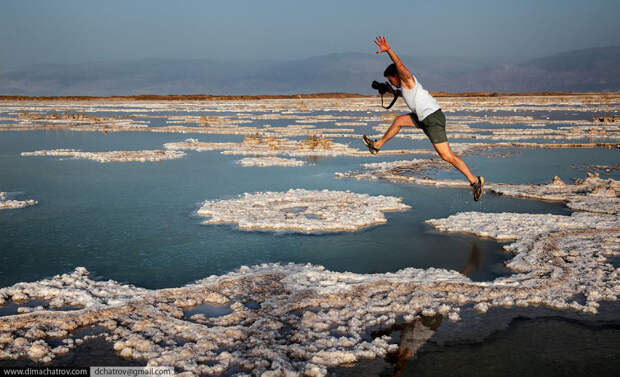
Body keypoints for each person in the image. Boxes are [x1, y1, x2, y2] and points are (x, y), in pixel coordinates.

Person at [363, 35, 484, 201]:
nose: (392, 83)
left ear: (397, 76)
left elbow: (399, 65)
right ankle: (376, 145)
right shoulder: (404, 88)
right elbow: (400, 93)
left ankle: (474, 181)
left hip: (432, 118)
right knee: (399, 121)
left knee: (447, 156)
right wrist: (386, 89)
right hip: (422, 117)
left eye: (391, 80)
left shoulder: (407, 79)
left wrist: (388, 50)